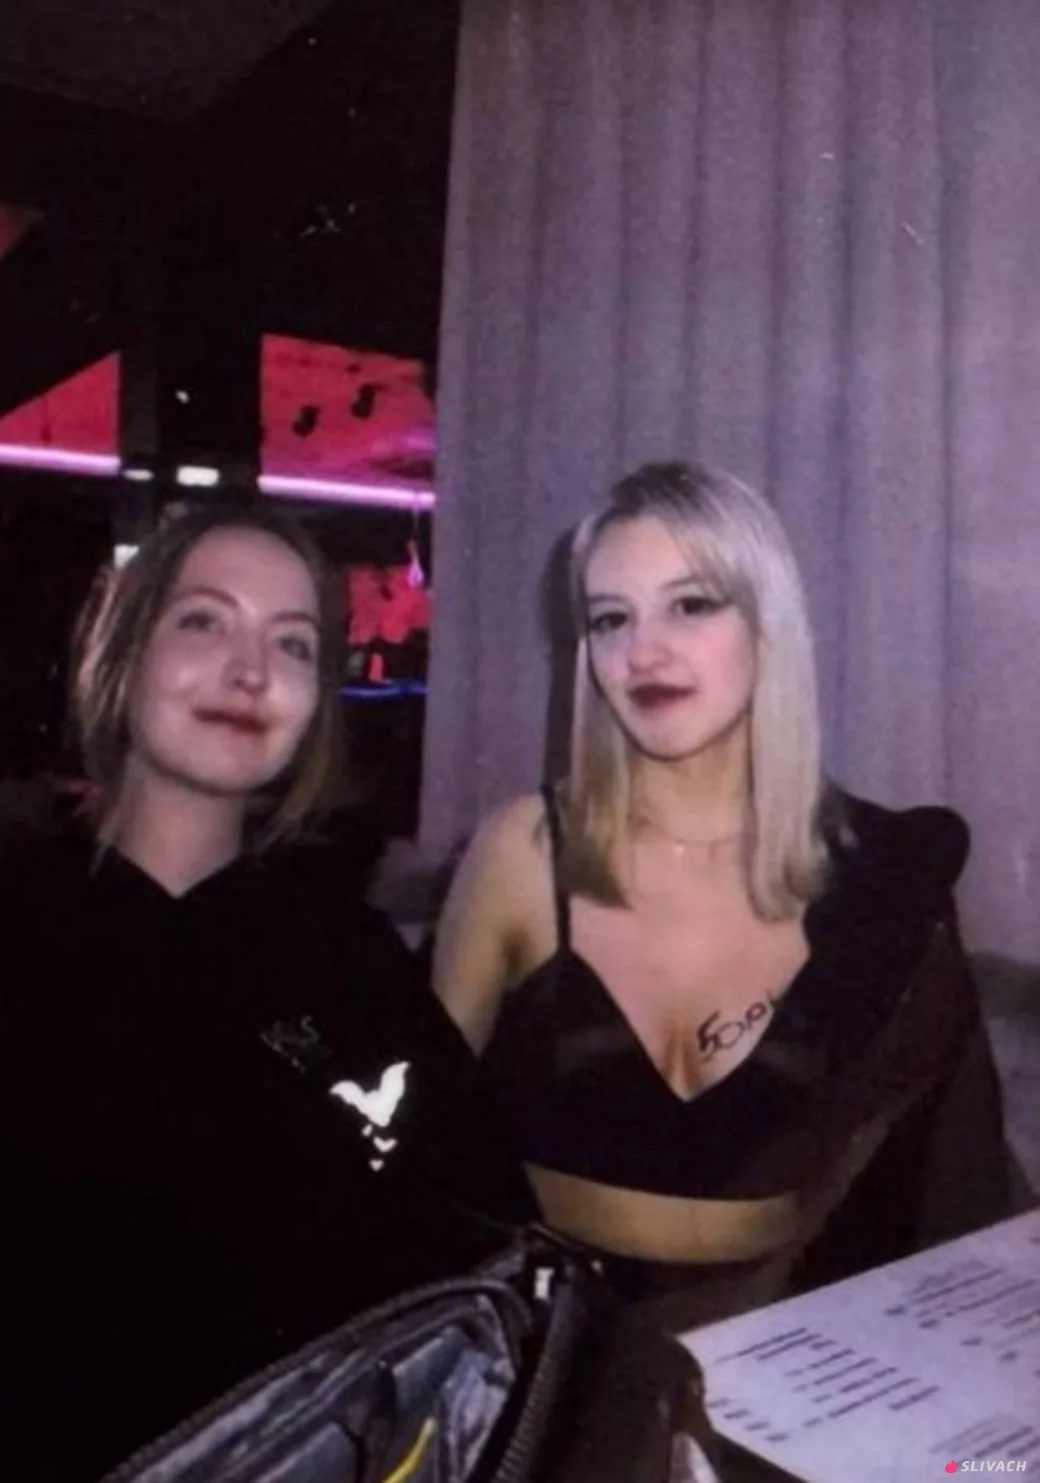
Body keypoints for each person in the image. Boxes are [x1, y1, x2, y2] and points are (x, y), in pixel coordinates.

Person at [433, 460, 1030, 1333]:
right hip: (542, 1333)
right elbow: (417, 1137)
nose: (642, 652)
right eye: (610, 618)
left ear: (768, 625)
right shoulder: (522, 852)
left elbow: (948, 1166)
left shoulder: (881, 873)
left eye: (690, 604)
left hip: (777, 1330)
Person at [0, 502, 529, 1482]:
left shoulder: (348, 959)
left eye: (291, 644)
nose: (250, 670)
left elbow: (474, 1246)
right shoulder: (23, 923)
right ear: (123, 649)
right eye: (204, 620)